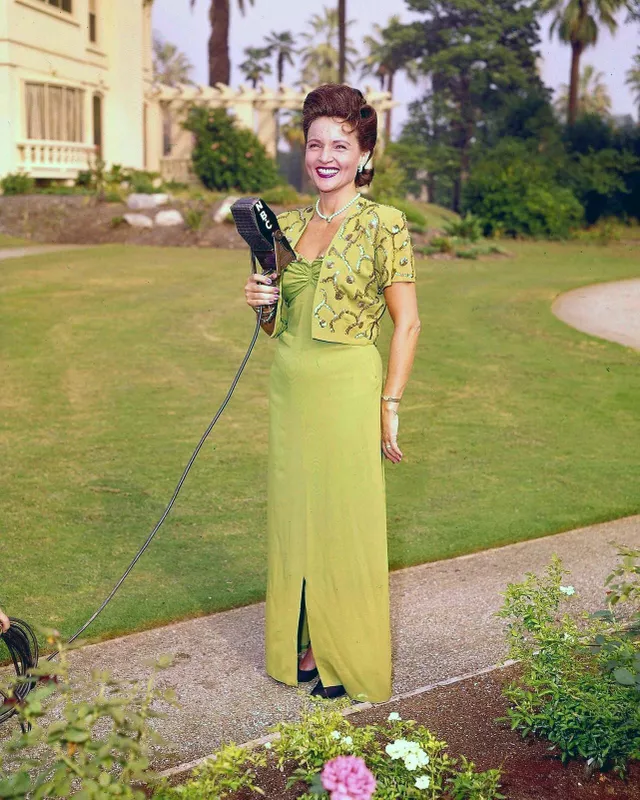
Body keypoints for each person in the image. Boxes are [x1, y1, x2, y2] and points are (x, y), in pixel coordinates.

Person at [243, 83, 421, 703]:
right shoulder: (286, 225)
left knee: (344, 518)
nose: (325, 155)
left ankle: (341, 653)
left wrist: (389, 403)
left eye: (339, 145)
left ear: (363, 154)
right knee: (297, 515)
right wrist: (260, 302)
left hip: (347, 386)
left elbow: (410, 322)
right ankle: (303, 642)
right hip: (290, 385)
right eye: (315, 143)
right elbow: (274, 328)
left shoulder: (384, 224)